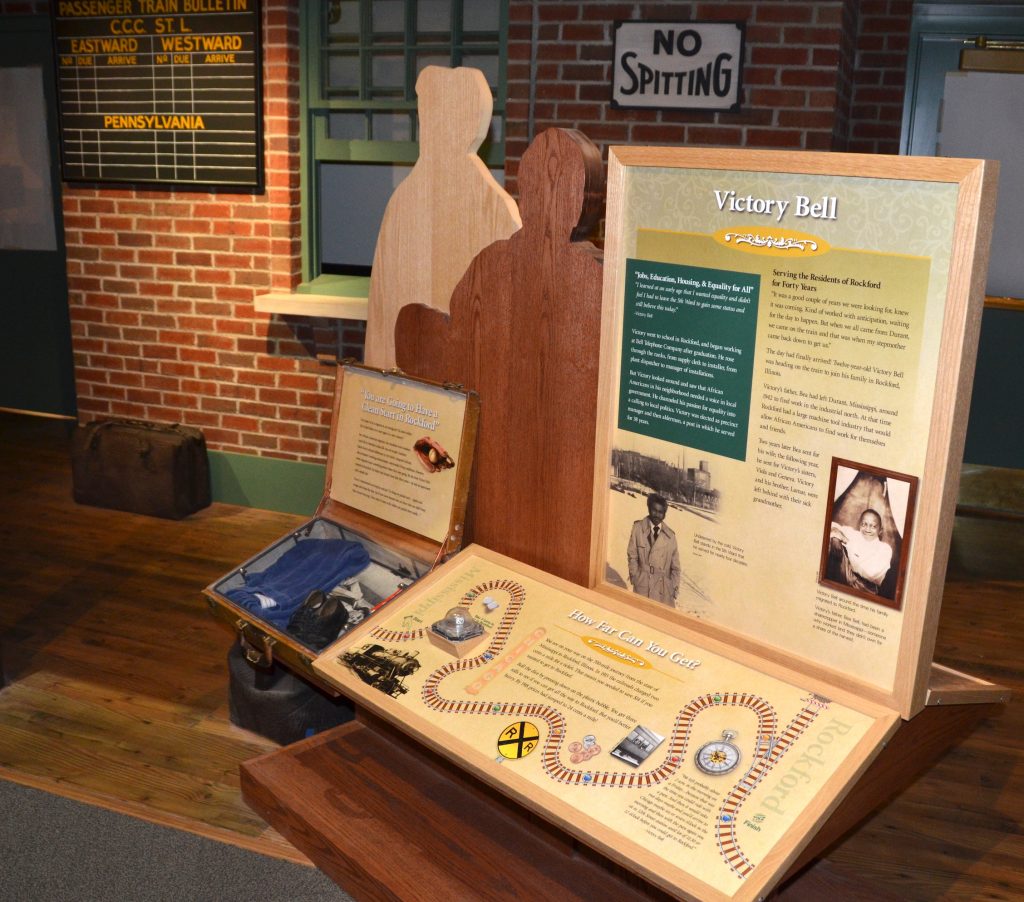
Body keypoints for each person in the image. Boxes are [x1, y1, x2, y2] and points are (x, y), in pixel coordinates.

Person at [627, 493, 681, 605]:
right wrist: (635, 576)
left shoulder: (670, 536)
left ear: (664, 514)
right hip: (643, 584)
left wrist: (673, 587)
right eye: (654, 510)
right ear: (649, 509)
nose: (657, 515)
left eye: (661, 512)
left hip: (663, 589)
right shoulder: (638, 528)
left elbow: (675, 567)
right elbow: (632, 555)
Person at [826, 508, 893, 595]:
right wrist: (835, 537)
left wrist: (846, 541)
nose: (867, 529)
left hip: (865, 589)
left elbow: (871, 573)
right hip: (843, 579)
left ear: (880, 530)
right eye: (864, 524)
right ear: (859, 525)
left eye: (873, 526)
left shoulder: (885, 549)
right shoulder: (854, 535)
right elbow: (832, 525)